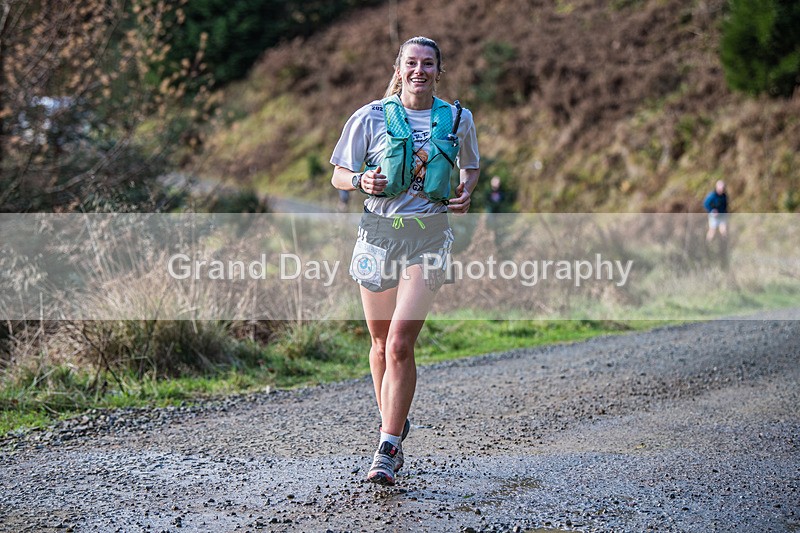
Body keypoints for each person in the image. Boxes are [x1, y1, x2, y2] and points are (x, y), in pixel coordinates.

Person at [330, 36, 480, 486]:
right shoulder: (371, 115)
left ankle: (388, 447)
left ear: (439, 69)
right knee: (378, 344)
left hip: (429, 237)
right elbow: (338, 170)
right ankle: (392, 422)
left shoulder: (457, 117)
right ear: (399, 67)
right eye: (411, 62)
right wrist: (360, 179)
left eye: (428, 63)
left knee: (398, 344)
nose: (420, 70)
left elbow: (470, 166)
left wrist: (467, 191)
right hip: (377, 236)